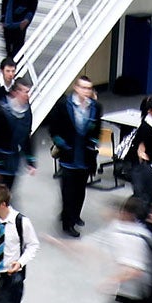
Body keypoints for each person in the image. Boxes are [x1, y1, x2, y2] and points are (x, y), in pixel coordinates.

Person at [46, 77, 101, 238]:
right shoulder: (64, 105)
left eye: (89, 88)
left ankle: (74, 214)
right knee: (68, 191)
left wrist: (93, 143)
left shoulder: (96, 107)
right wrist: (62, 145)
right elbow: (53, 129)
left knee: (80, 190)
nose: (86, 91)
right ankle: (67, 223)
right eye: (83, 87)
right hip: (69, 156)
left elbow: (96, 129)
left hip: (85, 157)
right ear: (76, 88)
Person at [0, 83, 38, 198]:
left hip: (12, 160)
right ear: (15, 92)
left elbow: (26, 136)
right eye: (25, 92)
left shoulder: (26, 112)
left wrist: (31, 161)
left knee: (7, 194)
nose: (28, 95)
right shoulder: (1, 109)